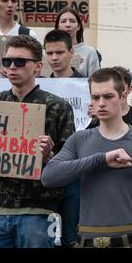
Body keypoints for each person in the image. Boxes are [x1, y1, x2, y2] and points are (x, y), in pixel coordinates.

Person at [41, 68, 132, 248]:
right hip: (86, 240)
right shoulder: (80, 139)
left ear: (123, 96)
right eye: (95, 97)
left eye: (108, 96)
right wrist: (101, 159)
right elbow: (49, 177)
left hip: (130, 241)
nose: (101, 103)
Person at [0, 35, 75, 248]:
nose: (12, 67)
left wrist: (49, 156)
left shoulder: (58, 107)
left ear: (38, 67)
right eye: (7, 62)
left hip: (37, 210)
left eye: (20, 62)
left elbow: (70, 163)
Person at [43, 29, 83, 247]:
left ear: (71, 52)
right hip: (47, 169)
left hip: (75, 170)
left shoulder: (89, 85)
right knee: (47, 234)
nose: (54, 58)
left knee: (71, 234)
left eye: (59, 52)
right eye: (49, 53)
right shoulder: (39, 85)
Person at [55, 7, 100, 77]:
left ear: (79, 26)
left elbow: (96, 82)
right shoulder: (49, 52)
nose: (68, 25)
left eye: (72, 21)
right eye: (63, 21)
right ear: (58, 26)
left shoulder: (89, 52)